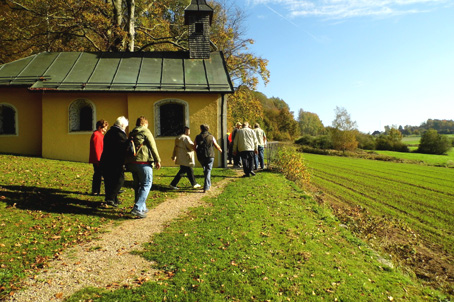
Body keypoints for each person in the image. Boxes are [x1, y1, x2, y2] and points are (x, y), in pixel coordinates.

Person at [125, 116, 161, 219]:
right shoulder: (145, 131)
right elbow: (153, 146)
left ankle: (142, 207)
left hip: (132, 162)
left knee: (138, 185)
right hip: (143, 162)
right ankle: (137, 208)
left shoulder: (132, 133)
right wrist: (157, 160)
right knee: (146, 184)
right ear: (145, 124)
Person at [100, 116, 128, 207]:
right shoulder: (119, 134)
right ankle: (110, 198)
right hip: (115, 161)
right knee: (119, 179)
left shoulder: (110, 132)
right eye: (125, 126)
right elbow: (123, 146)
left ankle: (114, 200)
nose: (125, 128)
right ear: (122, 125)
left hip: (106, 160)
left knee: (109, 181)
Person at [194, 124, 222, 193]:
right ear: (208, 129)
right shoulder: (211, 137)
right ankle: (206, 187)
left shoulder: (197, 137)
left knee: (206, 170)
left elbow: (194, 146)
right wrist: (220, 149)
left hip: (200, 156)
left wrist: (197, 151)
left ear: (201, 129)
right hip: (210, 155)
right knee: (208, 170)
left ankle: (208, 184)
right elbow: (216, 145)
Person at [89, 119, 109, 196]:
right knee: (98, 175)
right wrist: (98, 160)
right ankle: (96, 191)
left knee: (98, 175)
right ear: (100, 127)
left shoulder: (98, 135)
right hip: (99, 159)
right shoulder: (97, 135)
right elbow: (97, 149)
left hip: (99, 159)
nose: (104, 130)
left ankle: (96, 191)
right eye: (104, 128)